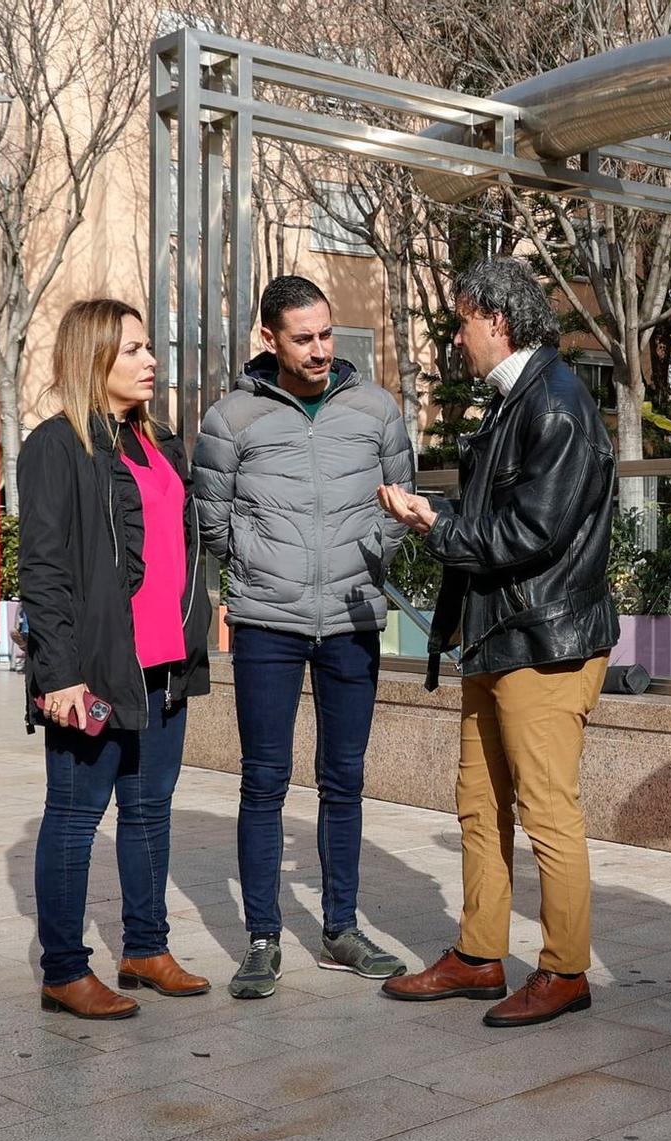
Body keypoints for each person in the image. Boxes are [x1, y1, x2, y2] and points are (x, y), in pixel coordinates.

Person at [375, 258, 617, 1028]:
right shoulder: (522, 399)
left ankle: (565, 970)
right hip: (502, 634)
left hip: (543, 641)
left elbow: (532, 531)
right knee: (479, 804)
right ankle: (481, 955)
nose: (456, 338)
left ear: (497, 322)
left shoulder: (556, 403)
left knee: (547, 812)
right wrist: (437, 511)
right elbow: (503, 511)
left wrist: (435, 525)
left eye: (461, 322)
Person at [193, 276, 414, 1000]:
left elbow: (398, 502)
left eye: (326, 334)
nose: (320, 350)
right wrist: (257, 566)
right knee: (263, 779)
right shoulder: (230, 420)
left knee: (344, 779)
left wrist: (370, 558)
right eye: (303, 338)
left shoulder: (377, 409)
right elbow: (213, 522)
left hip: (352, 616)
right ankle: (262, 937)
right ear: (269, 340)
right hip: (267, 622)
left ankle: (341, 929)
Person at [18, 297, 214, 1020]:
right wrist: (59, 674)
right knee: (74, 816)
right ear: (94, 357)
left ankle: (145, 948)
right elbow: (43, 569)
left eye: (148, 348)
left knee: (148, 812)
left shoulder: (159, 444)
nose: (150, 361)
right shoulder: (55, 445)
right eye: (133, 349)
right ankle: (65, 970)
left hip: (164, 665)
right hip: (94, 670)